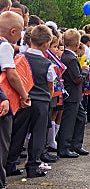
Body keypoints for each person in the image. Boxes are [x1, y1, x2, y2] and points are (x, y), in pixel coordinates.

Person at [11, 25, 55, 178]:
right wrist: (48, 96)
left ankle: (10, 163)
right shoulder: (47, 63)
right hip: (41, 101)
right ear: (47, 44)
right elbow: (50, 84)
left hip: (23, 99)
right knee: (38, 133)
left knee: (18, 132)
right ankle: (33, 166)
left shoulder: (21, 57)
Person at [0, 11, 29, 187]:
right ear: (12, 31)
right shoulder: (4, 46)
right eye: (20, 32)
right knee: (2, 144)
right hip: (4, 100)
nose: (21, 36)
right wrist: (24, 94)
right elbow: (11, 74)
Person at [58, 29, 89, 158]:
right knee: (69, 121)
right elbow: (77, 79)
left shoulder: (67, 56)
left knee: (81, 118)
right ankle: (64, 147)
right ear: (77, 44)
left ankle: (76, 144)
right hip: (72, 94)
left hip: (74, 95)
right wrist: (85, 71)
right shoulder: (70, 58)